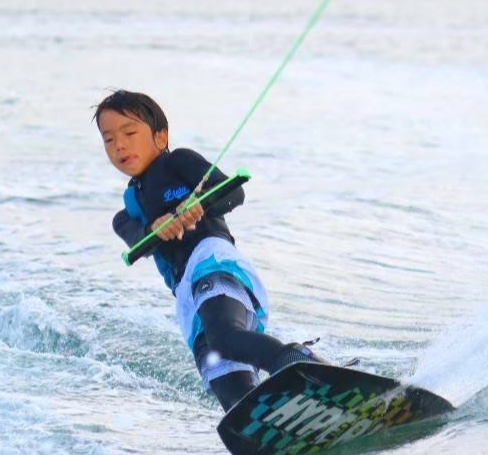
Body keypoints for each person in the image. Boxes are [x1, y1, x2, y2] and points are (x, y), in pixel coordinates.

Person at [95, 89, 322, 410]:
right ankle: (269, 421)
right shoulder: (125, 214)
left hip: (212, 261)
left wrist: (199, 203)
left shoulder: (178, 162)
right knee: (225, 377)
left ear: (161, 136)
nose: (119, 145)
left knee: (225, 338)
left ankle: (304, 366)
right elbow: (138, 241)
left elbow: (233, 194)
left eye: (129, 133)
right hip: (187, 293)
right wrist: (156, 229)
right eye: (109, 139)